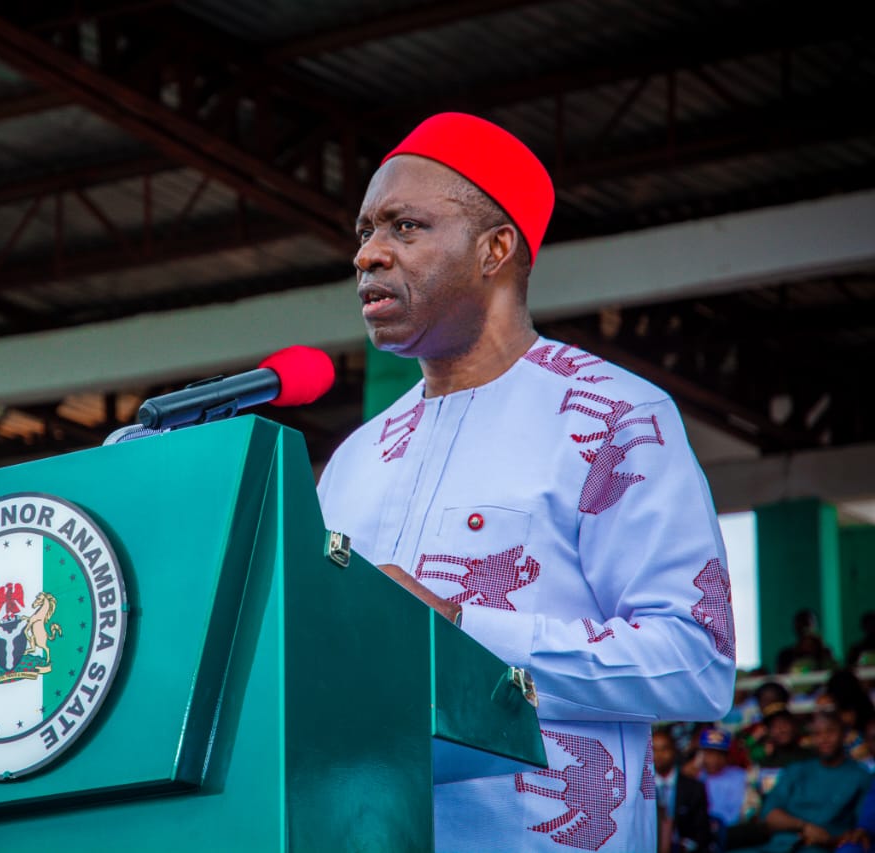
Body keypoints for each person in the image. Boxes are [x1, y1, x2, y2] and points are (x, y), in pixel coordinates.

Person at [317, 111, 737, 851]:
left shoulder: (614, 417)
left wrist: (461, 630)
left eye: (404, 227)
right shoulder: (354, 458)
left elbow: (695, 661)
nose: (369, 255)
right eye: (363, 233)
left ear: (495, 249)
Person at [751, 712, 871, 853]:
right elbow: (770, 815)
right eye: (817, 734)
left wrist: (830, 840)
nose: (824, 739)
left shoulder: (860, 776)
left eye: (830, 731)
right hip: (780, 845)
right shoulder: (796, 770)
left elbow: (862, 829)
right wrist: (804, 826)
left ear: (844, 735)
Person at [654, 728, 712, 853]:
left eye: (664, 749)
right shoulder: (639, 789)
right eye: (653, 750)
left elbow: (702, 831)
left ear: (674, 751)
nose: (659, 755)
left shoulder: (694, 787)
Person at [775, 609, 837, 674]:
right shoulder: (786, 655)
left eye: (810, 623)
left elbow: (833, 671)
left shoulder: (826, 653)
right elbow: (783, 676)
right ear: (796, 627)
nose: (806, 629)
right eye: (802, 624)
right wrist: (797, 654)